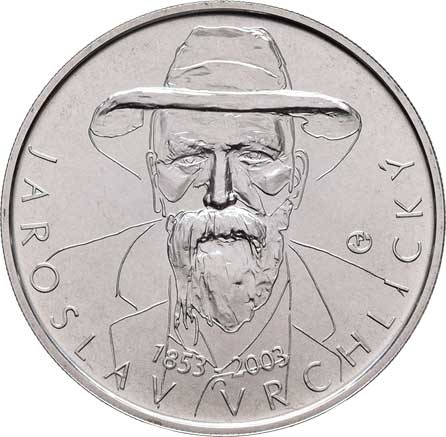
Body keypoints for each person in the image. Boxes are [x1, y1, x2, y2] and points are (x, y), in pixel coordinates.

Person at [41, 26, 403, 420]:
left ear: (296, 181)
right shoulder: (72, 277)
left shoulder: (367, 296)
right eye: (189, 157)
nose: (219, 193)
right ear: (155, 180)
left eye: (255, 156)